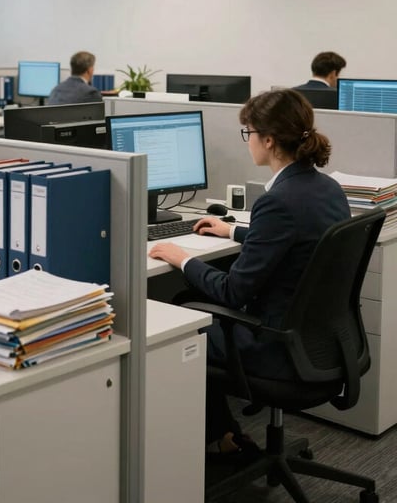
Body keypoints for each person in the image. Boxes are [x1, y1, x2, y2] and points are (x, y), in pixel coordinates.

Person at [149, 89, 349, 454]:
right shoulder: (328, 188)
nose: (248, 141)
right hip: (321, 340)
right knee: (188, 300)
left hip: (275, 344)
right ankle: (222, 433)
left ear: (268, 140)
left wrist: (183, 259)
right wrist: (234, 230)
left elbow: (232, 293)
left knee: (180, 319)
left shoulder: (277, 202)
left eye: (249, 133)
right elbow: (299, 238)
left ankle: (216, 440)